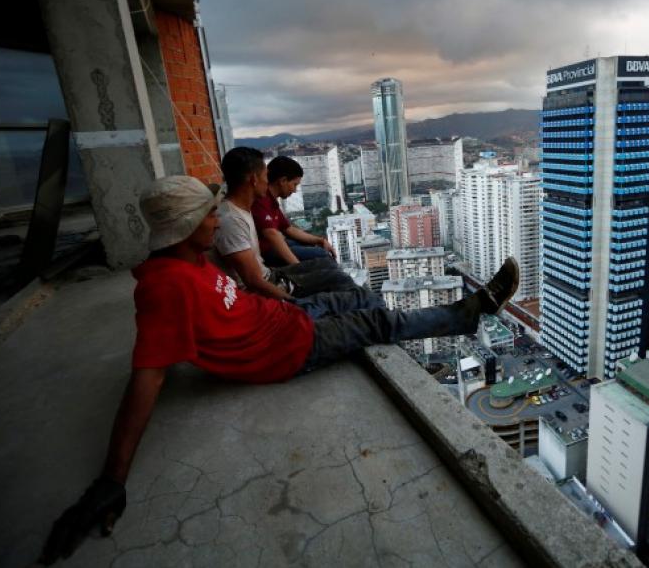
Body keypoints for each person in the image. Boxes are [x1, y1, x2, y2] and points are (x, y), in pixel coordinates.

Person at [38, 175, 519, 565]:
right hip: (288, 349)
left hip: (287, 318)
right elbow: (148, 376)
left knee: (350, 296)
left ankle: (409, 322)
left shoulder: (192, 260)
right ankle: (470, 312)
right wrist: (112, 479)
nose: (216, 221)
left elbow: (234, 303)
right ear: (186, 227)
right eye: (209, 215)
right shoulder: (165, 289)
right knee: (378, 318)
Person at [213, 147, 351, 300]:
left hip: (271, 274)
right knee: (337, 277)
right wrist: (293, 300)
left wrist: (319, 241)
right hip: (273, 281)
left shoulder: (243, 208)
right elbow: (254, 281)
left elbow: (287, 228)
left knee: (330, 269)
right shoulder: (232, 220)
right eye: (265, 175)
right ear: (254, 179)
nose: (267, 180)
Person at [253, 155, 335, 265]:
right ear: (283, 181)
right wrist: (297, 266)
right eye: (294, 184)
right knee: (321, 254)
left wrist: (319, 240)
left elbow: (289, 229)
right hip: (267, 252)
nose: (295, 190)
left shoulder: (272, 201)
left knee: (312, 246)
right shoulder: (262, 200)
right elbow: (272, 234)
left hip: (273, 247)